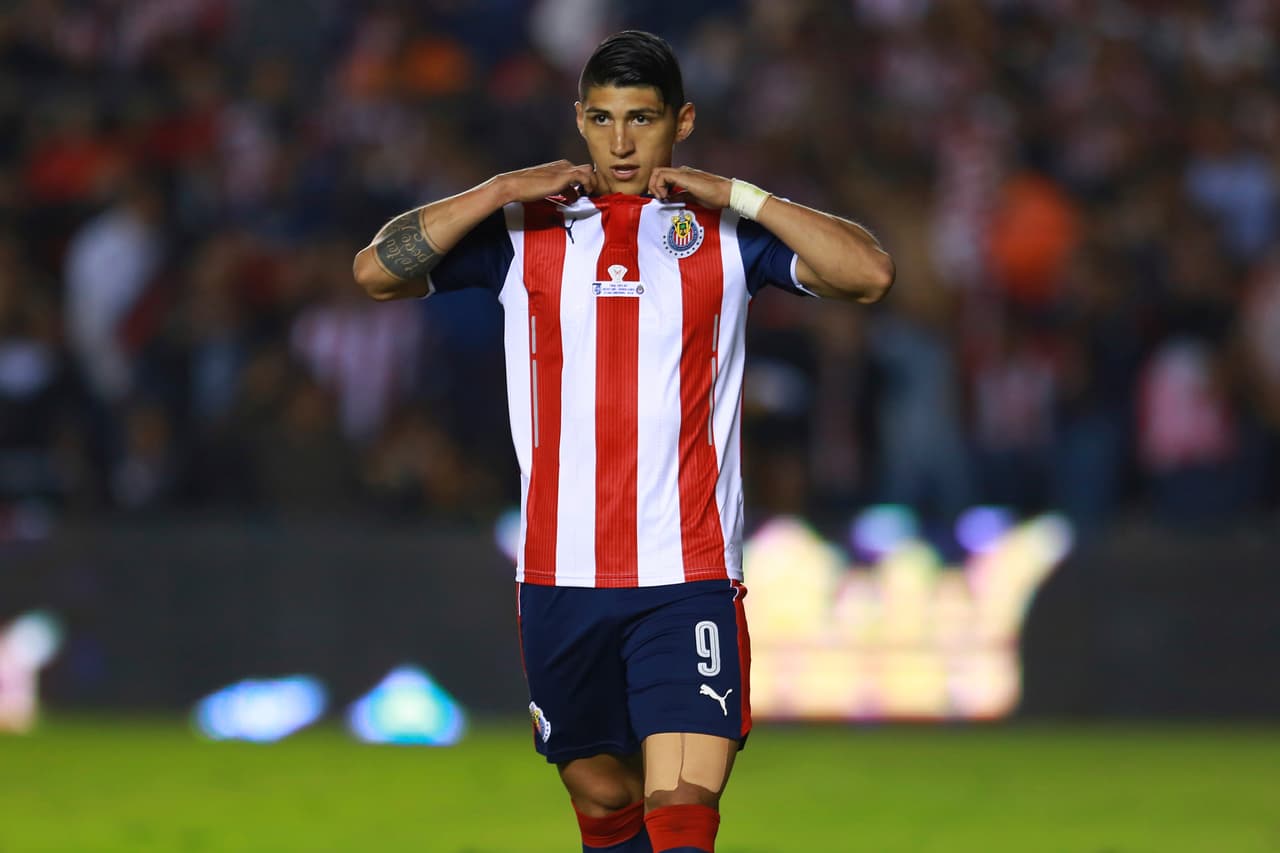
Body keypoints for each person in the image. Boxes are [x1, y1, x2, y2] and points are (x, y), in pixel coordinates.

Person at [352, 30, 893, 853]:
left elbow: (868, 273)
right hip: (560, 575)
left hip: (688, 574)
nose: (621, 140)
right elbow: (376, 271)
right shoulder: (524, 232)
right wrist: (498, 188)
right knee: (606, 801)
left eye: (642, 118)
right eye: (602, 119)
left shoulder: (722, 235)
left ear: (682, 122)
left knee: (681, 811)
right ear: (578, 120)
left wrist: (741, 194)